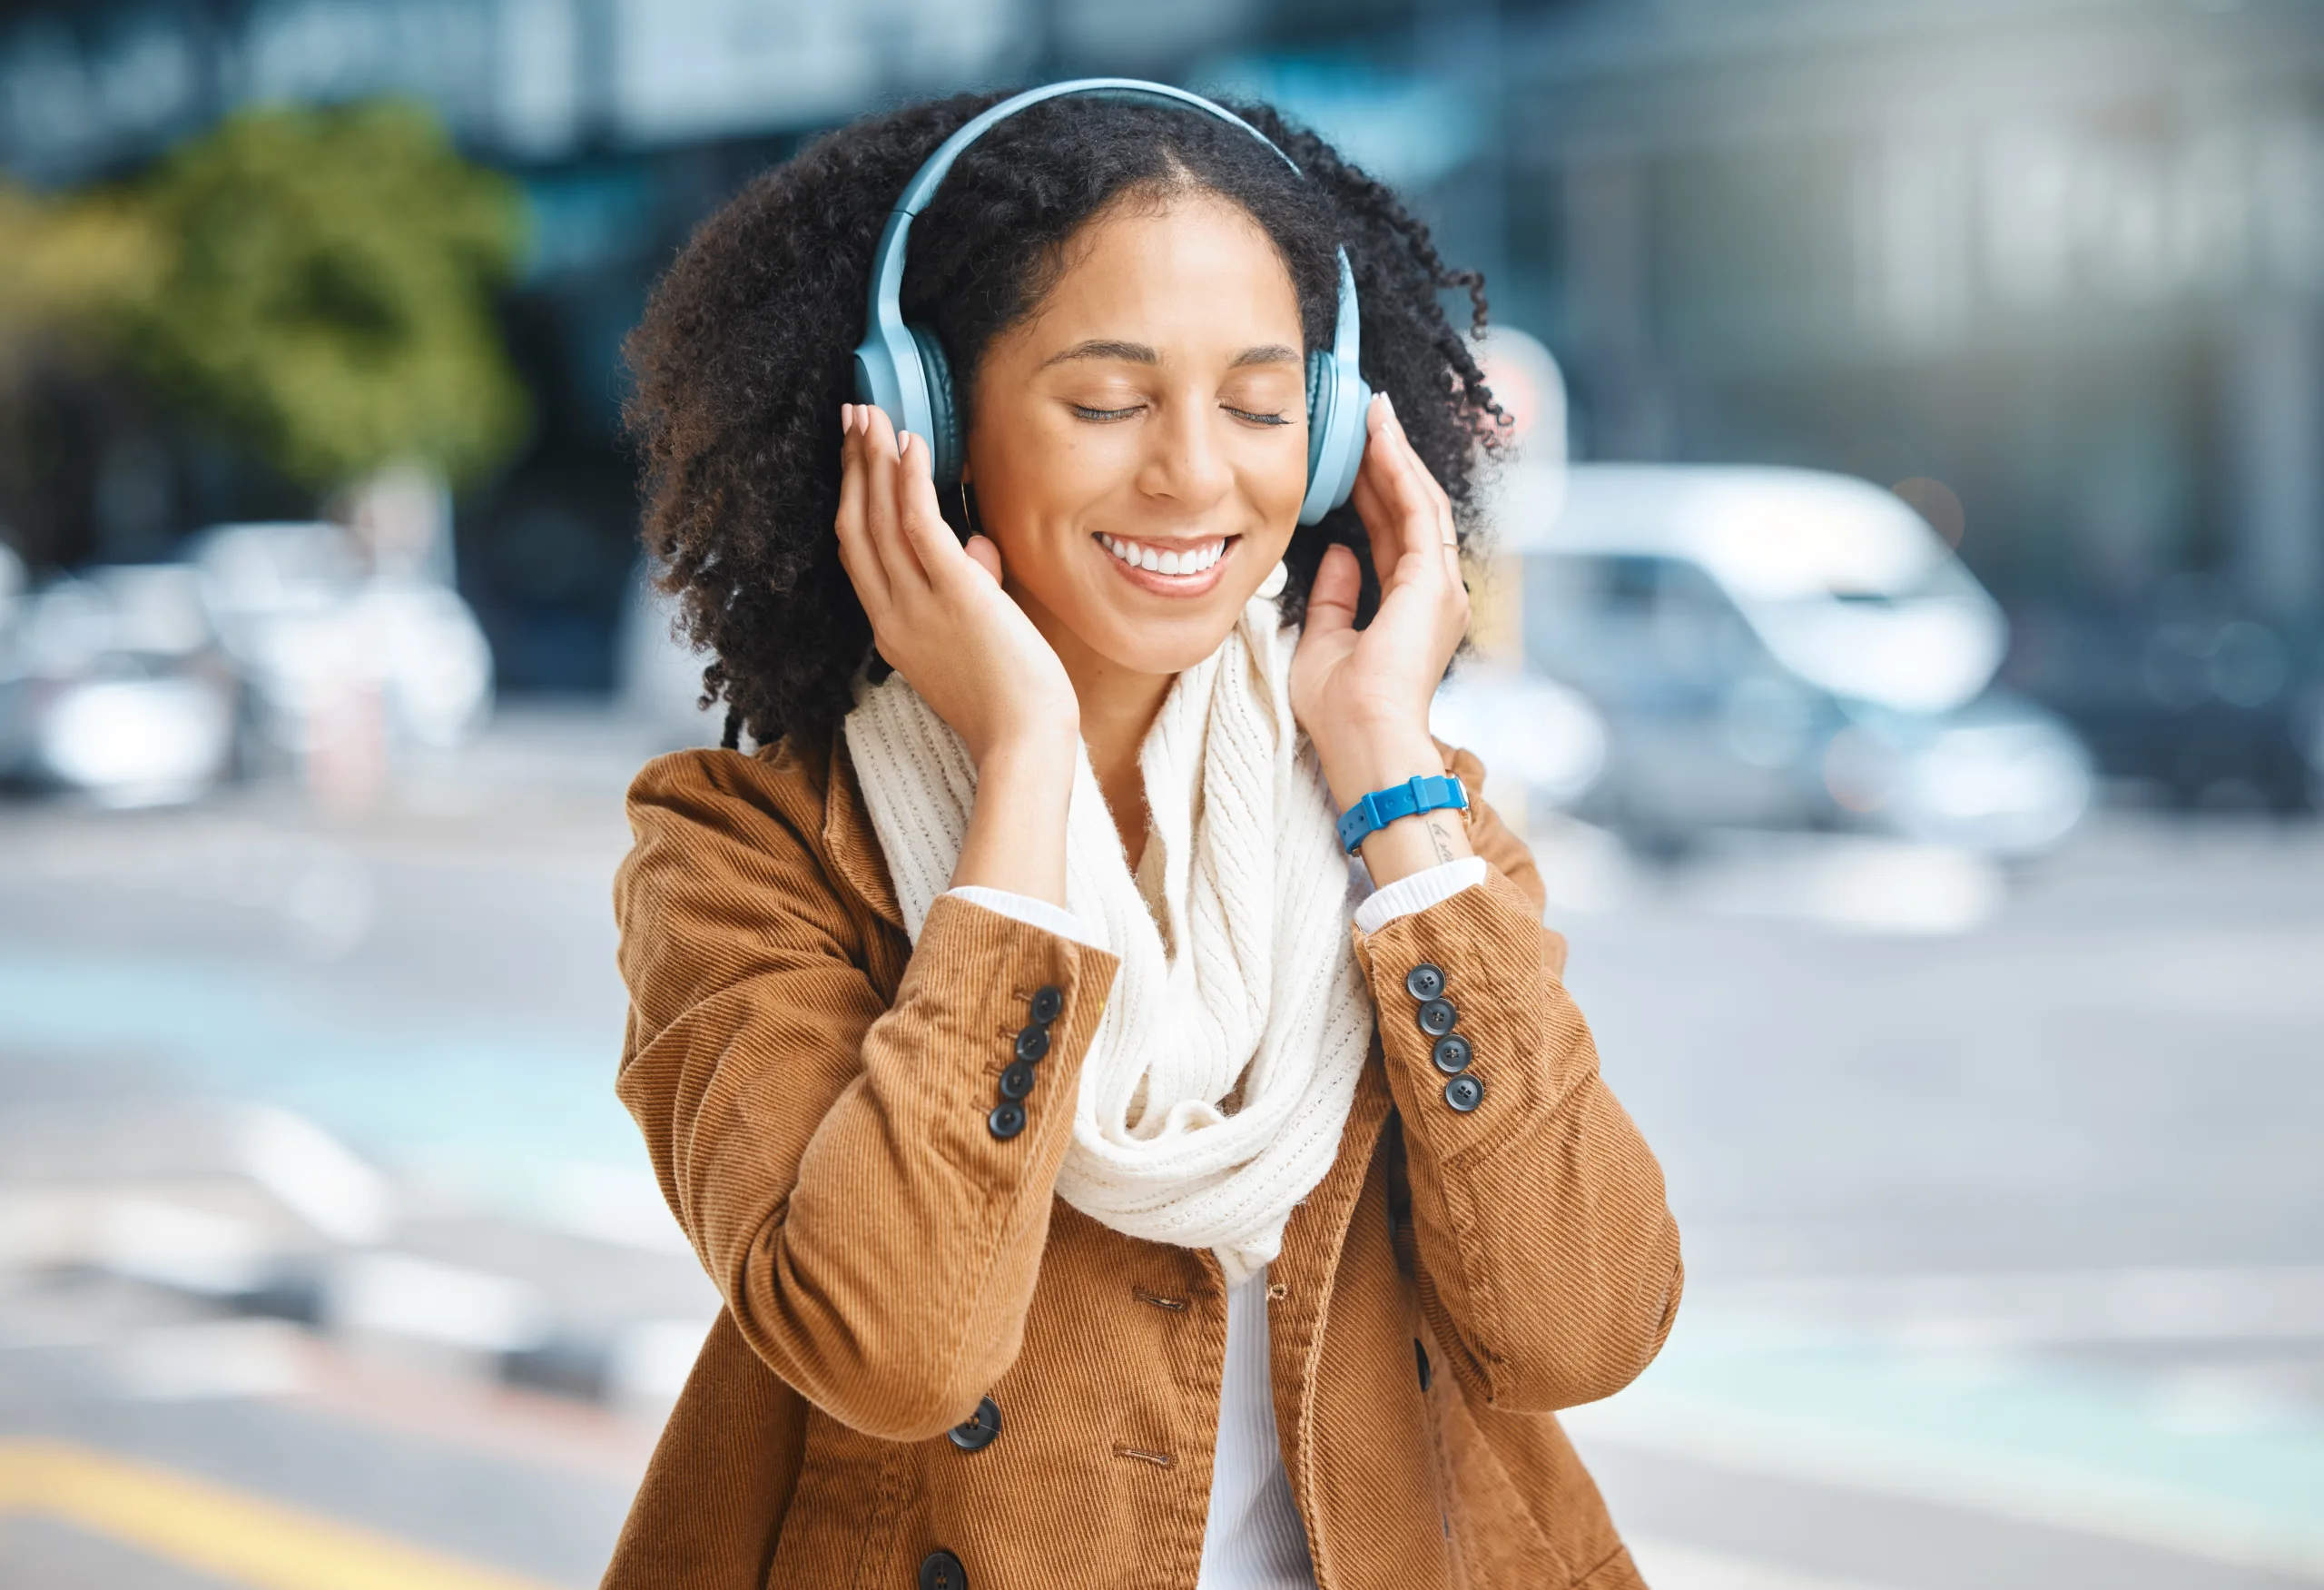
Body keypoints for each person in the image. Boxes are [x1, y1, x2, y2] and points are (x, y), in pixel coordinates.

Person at [606, 83, 1680, 1590]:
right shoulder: (751, 854)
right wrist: (1023, 765)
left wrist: (1382, 761)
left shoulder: (1410, 823)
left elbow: (1582, 1323)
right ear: (926, 423)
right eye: (1108, 402)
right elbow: (895, 1347)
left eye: (1257, 405)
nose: (1192, 472)